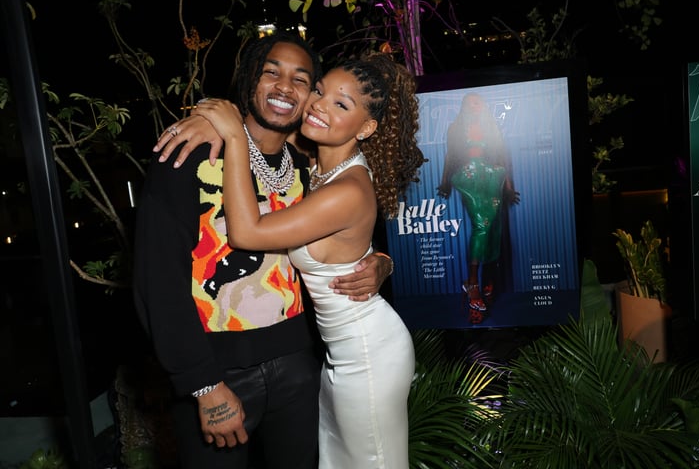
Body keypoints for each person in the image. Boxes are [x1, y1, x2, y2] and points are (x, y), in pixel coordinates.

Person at [133, 32, 394, 469]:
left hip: (300, 368)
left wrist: (381, 263)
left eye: (300, 78)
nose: (283, 86)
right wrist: (202, 384)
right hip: (217, 375)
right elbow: (155, 282)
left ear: (311, 96)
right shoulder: (192, 156)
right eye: (271, 71)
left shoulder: (307, 166)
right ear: (250, 78)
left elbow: (358, 227)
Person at [188, 51, 423, 469]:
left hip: (367, 354)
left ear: (367, 128)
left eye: (341, 104)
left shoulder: (346, 190)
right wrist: (214, 121)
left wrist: (235, 137)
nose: (318, 105)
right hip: (338, 353)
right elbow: (267, 125)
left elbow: (248, 233)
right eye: (320, 91)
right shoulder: (315, 163)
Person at [437, 92, 520, 324]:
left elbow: (502, 157)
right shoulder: (455, 129)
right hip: (467, 176)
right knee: (481, 225)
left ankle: (488, 281)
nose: (475, 105)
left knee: (494, 229)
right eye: (470, 102)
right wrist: (445, 183)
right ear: (464, 106)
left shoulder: (492, 128)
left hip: (492, 176)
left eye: (478, 101)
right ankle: (472, 284)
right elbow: (450, 155)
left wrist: (509, 187)